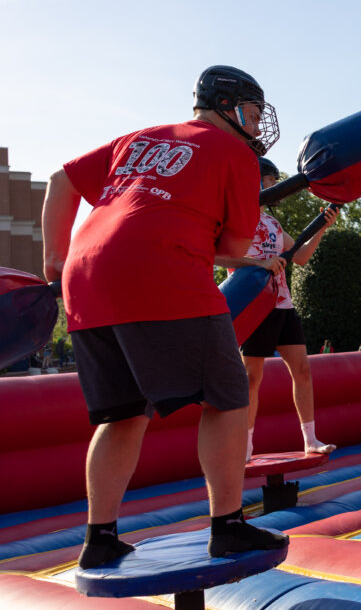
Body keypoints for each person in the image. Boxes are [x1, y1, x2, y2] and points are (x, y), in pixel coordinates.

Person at [41, 65, 289, 568]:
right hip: (161, 273)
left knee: (122, 414)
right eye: (255, 111)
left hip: (85, 281)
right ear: (231, 106)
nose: (258, 123)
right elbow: (235, 246)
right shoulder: (237, 155)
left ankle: (100, 537)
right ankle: (229, 525)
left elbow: (60, 180)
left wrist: (54, 262)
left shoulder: (139, 137)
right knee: (227, 395)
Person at [216, 157, 338, 462]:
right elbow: (219, 258)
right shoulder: (234, 220)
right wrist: (261, 263)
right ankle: (245, 447)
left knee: (303, 370)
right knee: (251, 377)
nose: (274, 189)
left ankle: (310, 439)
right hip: (255, 306)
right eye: (271, 182)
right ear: (256, 182)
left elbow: (301, 256)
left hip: (283, 304)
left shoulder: (272, 223)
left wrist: (322, 226)